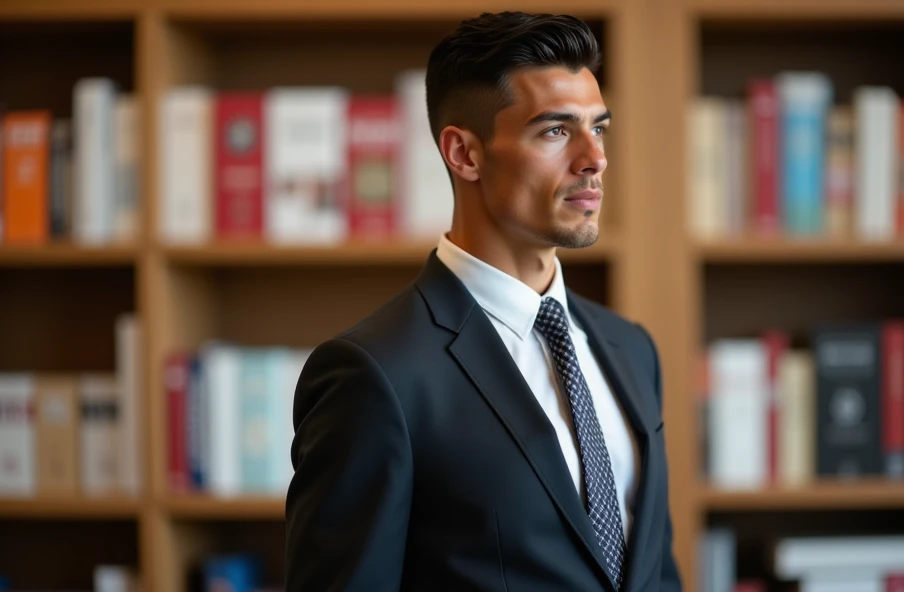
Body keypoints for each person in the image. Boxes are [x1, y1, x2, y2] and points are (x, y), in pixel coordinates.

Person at [284, 11, 683, 592]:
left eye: (599, 128)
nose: (593, 158)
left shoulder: (631, 348)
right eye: (554, 130)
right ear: (464, 154)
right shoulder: (374, 374)